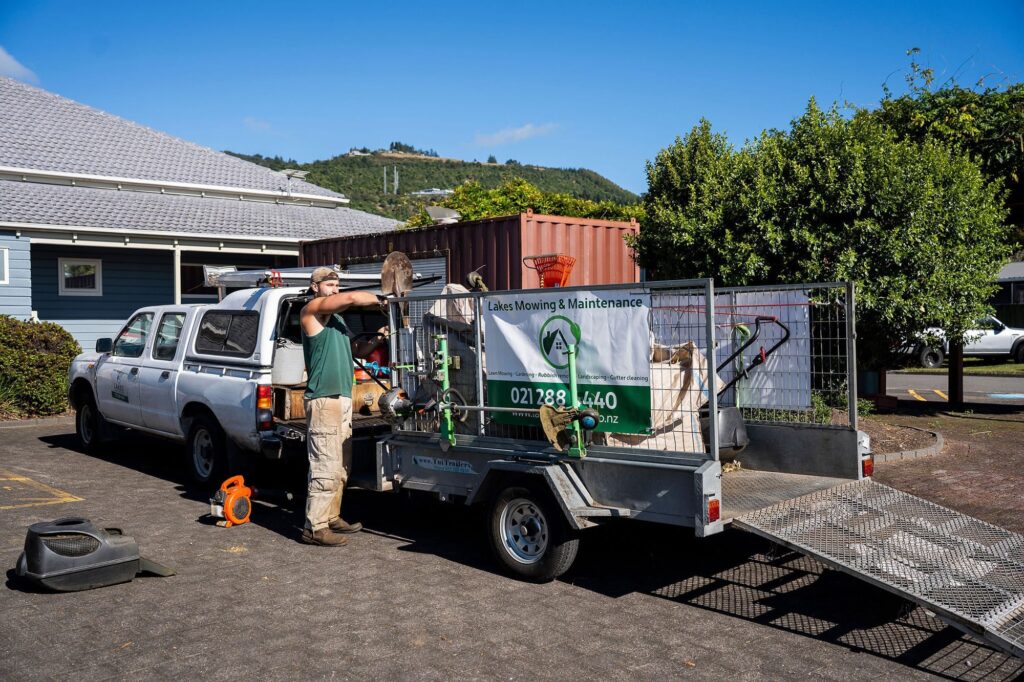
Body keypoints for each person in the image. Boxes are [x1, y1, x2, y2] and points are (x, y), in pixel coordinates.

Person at [300, 266, 388, 546]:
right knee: (325, 465)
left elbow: (357, 352)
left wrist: (379, 337)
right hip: (324, 400)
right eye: (330, 285)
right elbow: (351, 299)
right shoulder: (312, 310)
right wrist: (383, 299)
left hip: (343, 399)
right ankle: (314, 527)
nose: (335, 289)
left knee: (340, 465)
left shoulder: (337, 320)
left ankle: (331, 517)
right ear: (315, 286)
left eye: (337, 285)